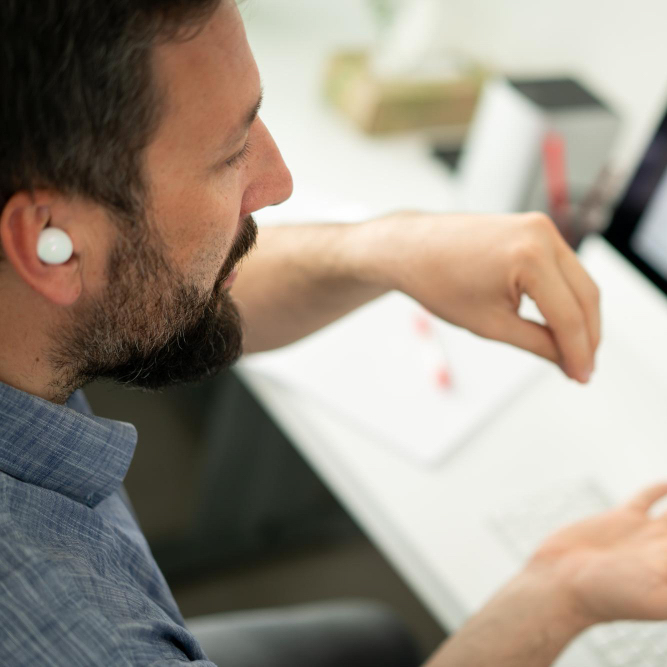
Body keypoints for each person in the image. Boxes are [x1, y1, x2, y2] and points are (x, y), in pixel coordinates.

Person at [2, 1, 667, 665]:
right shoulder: (94, 639)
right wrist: (560, 592)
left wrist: (385, 249)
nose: (278, 180)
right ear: (47, 243)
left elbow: (150, 295)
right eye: (231, 154)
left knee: (374, 635)